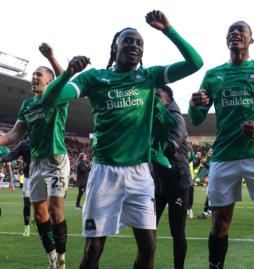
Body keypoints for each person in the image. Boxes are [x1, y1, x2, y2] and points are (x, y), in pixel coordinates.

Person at [41, 10, 203, 269]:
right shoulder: (94, 78)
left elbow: (195, 63)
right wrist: (67, 73)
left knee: (149, 247)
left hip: (140, 174)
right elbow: (49, 99)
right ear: (114, 47)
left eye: (139, 43)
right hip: (105, 173)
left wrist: (168, 29)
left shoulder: (149, 77)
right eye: (128, 41)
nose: (134, 46)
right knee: (93, 249)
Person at [189, 21, 254, 268]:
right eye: (231, 31)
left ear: (251, 39)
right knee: (219, 220)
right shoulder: (212, 76)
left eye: (241, 31)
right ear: (226, 40)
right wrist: (193, 105)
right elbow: (198, 120)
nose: (235, 33)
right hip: (223, 156)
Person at [0, 43, 68, 269]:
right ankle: (51, 258)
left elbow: (64, 78)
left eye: (39, 75)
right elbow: (13, 135)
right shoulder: (27, 105)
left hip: (57, 159)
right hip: (37, 163)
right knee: (40, 214)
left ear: (49, 81)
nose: (34, 77)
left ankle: (62, 257)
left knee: (56, 209)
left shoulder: (57, 99)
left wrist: (51, 57)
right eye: (33, 75)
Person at [151, 84, 192, 269]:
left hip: (178, 182)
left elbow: (168, 148)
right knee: (148, 228)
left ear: (167, 100)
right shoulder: (153, 117)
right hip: (158, 183)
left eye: (157, 96)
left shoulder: (176, 119)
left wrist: (144, 144)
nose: (153, 99)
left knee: (177, 231)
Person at [0, 139, 32, 236]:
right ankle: (27, 228)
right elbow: (13, 154)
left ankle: (46, 223)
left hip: (44, 175)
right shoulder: (24, 144)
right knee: (27, 203)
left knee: (45, 203)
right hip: (28, 176)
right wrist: (2, 159)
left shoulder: (44, 140)